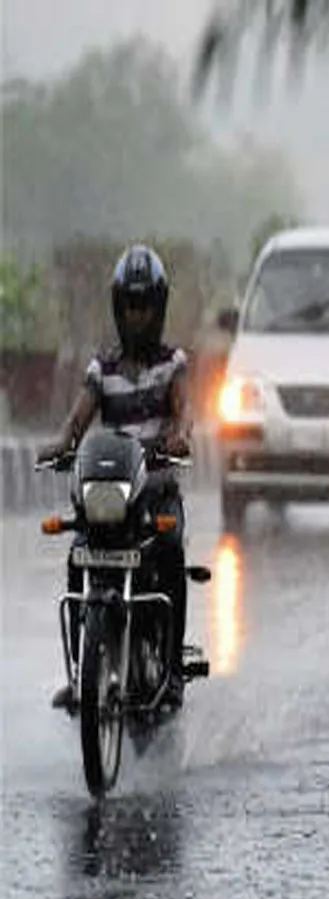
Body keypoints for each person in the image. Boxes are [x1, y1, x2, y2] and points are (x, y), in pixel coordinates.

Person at [38, 245, 193, 710]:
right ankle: (79, 674)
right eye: (129, 305)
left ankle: (173, 669)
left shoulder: (173, 363)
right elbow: (78, 419)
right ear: (117, 308)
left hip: (155, 491)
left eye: (144, 305)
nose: (137, 315)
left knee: (171, 553)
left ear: (159, 308)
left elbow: (184, 412)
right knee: (77, 554)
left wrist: (180, 436)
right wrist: (62, 442)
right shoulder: (101, 367)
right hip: (114, 494)